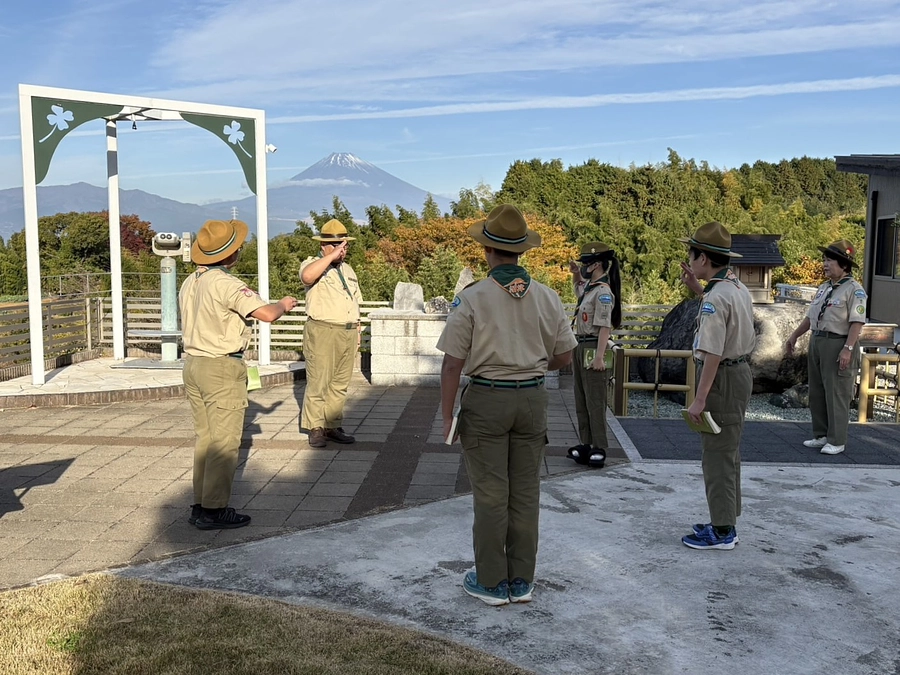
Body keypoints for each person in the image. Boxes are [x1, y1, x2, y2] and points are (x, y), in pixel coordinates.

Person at [437, 204, 577, 606]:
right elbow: (565, 358)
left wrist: (448, 416)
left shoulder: (473, 298)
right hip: (533, 397)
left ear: (487, 250)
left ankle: (492, 582)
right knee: (526, 491)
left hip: (486, 399)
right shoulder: (548, 298)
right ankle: (522, 580)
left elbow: (451, 363)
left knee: (491, 493)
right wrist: (530, 363)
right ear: (521, 251)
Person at [180, 219, 298, 530]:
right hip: (221, 366)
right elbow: (267, 314)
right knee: (225, 442)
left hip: (193, 364)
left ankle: (199, 504)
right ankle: (215, 509)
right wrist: (284, 303)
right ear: (230, 254)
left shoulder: (191, 281)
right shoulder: (226, 283)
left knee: (205, 439)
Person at [677, 222, 755, 551]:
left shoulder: (716, 299)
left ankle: (723, 530)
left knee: (717, 456)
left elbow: (712, 352)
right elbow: (721, 309)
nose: (689, 260)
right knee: (728, 453)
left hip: (721, 377)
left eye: (692, 255)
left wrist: (699, 398)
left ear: (704, 259)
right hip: (738, 374)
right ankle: (726, 519)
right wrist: (698, 287)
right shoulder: (735, 288)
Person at [784, 240, 866, 456]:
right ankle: (820, 434)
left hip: (838, 342)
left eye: (830, 260)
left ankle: (837, 439)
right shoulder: (824, 288)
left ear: (844, 265)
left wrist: (848, 348)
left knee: (837, 391)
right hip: (818, 341)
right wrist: (794, 335)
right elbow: (811, 316)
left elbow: (857, 322)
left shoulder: (854, 290)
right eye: (825, 259)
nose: (825, 264)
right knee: (817, 390)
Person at [299, 219, 363, 448]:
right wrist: (330, 257)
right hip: (323, 330)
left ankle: (332, 424)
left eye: (344, 245)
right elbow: (307, 277)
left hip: (346, 331)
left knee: (339, 383)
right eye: (336, 244)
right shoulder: (314, 263)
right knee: (319, 381)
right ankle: (315, 427)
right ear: (324, 245)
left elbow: (355, 301)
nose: (342, 250)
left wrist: (356, 330)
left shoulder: (347, 270)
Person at [567, 242, 622, 468]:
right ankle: (586, 442)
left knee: (595, 400)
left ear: (597, 265)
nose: (584, 267)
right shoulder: (590, 287)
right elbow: (579, 290)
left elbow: (604, 327)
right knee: (581, 398)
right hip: (580, 346)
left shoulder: (603, 292)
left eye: (586, 264)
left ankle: (599, 446)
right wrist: (575, 274)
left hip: (593, 347)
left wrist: (600, 356)